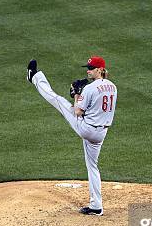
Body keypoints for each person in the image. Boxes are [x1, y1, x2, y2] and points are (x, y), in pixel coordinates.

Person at [27, 56, 117, 216]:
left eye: (91, 68)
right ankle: (96, 206)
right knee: (92, 166)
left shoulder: (90, 89)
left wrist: (76, 94)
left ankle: (34, 77)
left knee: (59, 101)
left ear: (100, 70)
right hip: (101, 133)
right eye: (88, 67)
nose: (88, 70)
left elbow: (77, 111)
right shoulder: (112, 87)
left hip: (87, 129)